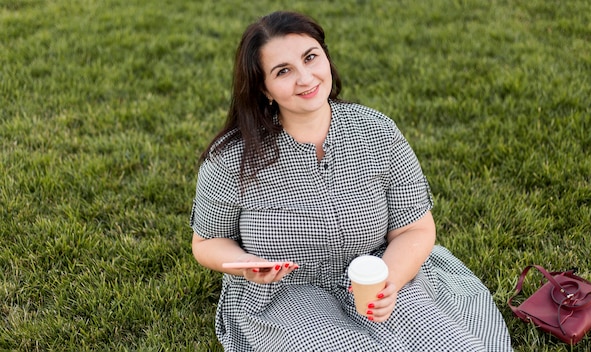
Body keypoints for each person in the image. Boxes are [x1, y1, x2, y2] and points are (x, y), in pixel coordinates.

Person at [190, 10, 513, 352]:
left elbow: (414, 229)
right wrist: (246, 266)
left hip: (379, 272)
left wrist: (390, 283)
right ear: (264, 88)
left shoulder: (377, 131)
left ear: (326, 58)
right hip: (288, 294)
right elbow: (207, 242)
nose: (305, 78)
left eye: (310, 58)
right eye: (283, 71)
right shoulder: (231, 158)